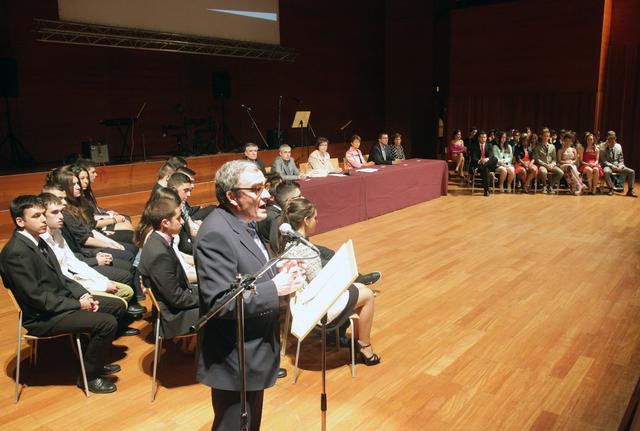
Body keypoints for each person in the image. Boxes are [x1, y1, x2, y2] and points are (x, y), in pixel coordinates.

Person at [194, 160, 305, 430]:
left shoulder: (245, 221)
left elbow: (248, 271)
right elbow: (220, 303)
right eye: (255, 189)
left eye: (264, 187)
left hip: (253, 351)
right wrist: (275, 288)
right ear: (232, 196)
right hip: (234, 358)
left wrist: (276, 269)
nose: (266, 195)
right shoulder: (215, 234)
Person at [0, 195, 126, 394]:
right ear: (20, 221)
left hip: (59, 303)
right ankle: (89, 377)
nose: (43, 220)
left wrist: (82, 295)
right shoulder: (16, 253)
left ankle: (91, 361)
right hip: (42, 317)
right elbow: (37, 298)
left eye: (43, 214)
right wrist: (78, 305)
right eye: (36, 216)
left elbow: (61, 277)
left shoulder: (38, 240)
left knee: (116, 306)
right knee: (106, 323)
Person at [280, 198, 380, 365]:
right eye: (315, 218)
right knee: (368, 295)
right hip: (315, 307)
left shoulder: (289, 243)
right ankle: (365, 347)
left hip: (301, 301)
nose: (317, 221)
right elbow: (320, 287)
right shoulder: (306, 250)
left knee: (361, 287)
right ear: (306, 220)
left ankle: (357, 343)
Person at [39, 193, 143, 318]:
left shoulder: (57, 232)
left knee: (126, 288)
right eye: (55, 212)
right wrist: (100, 283)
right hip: (68, 288)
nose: (61, 216)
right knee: (120, 300)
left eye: (61, 211)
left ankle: (125, 310)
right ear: (42, 215)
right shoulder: (41, 242)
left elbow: (74, 262)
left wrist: (103, 281)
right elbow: (63, 277)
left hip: (77, 274)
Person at [138, 195, 200, 340]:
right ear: (165, 223)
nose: (182, 221)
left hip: (178, 301)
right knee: (223, 307)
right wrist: (206, 298)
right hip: (174, 317)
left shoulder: (158, 241)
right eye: (178, 218)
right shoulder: (159, 253)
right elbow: (177, 299)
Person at [601, 131, 637, 197]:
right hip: (608, 166)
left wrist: (621, 166)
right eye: (610, 138)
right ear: (607, 138)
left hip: (618, 165)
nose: (612, 140)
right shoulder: (603, 146)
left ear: (615, 138)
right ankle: (611, 188)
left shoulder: (618, 146)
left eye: (614, 138)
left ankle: (630, 191)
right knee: (606, 172)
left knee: (631, 172)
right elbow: (604, 161)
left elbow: (621, 159)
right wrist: (612, 166)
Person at [533, 128, 564, 194]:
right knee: (543, 171)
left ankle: (550, 186)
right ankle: (544, 186)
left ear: (549, 137)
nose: (546, 137)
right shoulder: (537, 147)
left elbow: (554, 159)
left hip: (550, 165)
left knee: (560, 172)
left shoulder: (552, 146)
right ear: (541, 136)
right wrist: (545, 165)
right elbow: (537, 159)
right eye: (544, 136)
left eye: (547, 136)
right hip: (542, 165)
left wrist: (552, 165)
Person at [469, 130, 498, 196]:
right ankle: (486, 191)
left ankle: (481, 167)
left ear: (486, 138)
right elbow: (473, 157)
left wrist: (486, 159)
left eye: (484, 137)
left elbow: (491, 155)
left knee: (495, 159)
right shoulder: (474, 145)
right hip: (478, 164)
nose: (483, 139)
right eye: (481, 137)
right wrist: (480, 161)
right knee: (486, 170)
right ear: (478, 138)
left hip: (486, 164)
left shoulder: (489, 145)